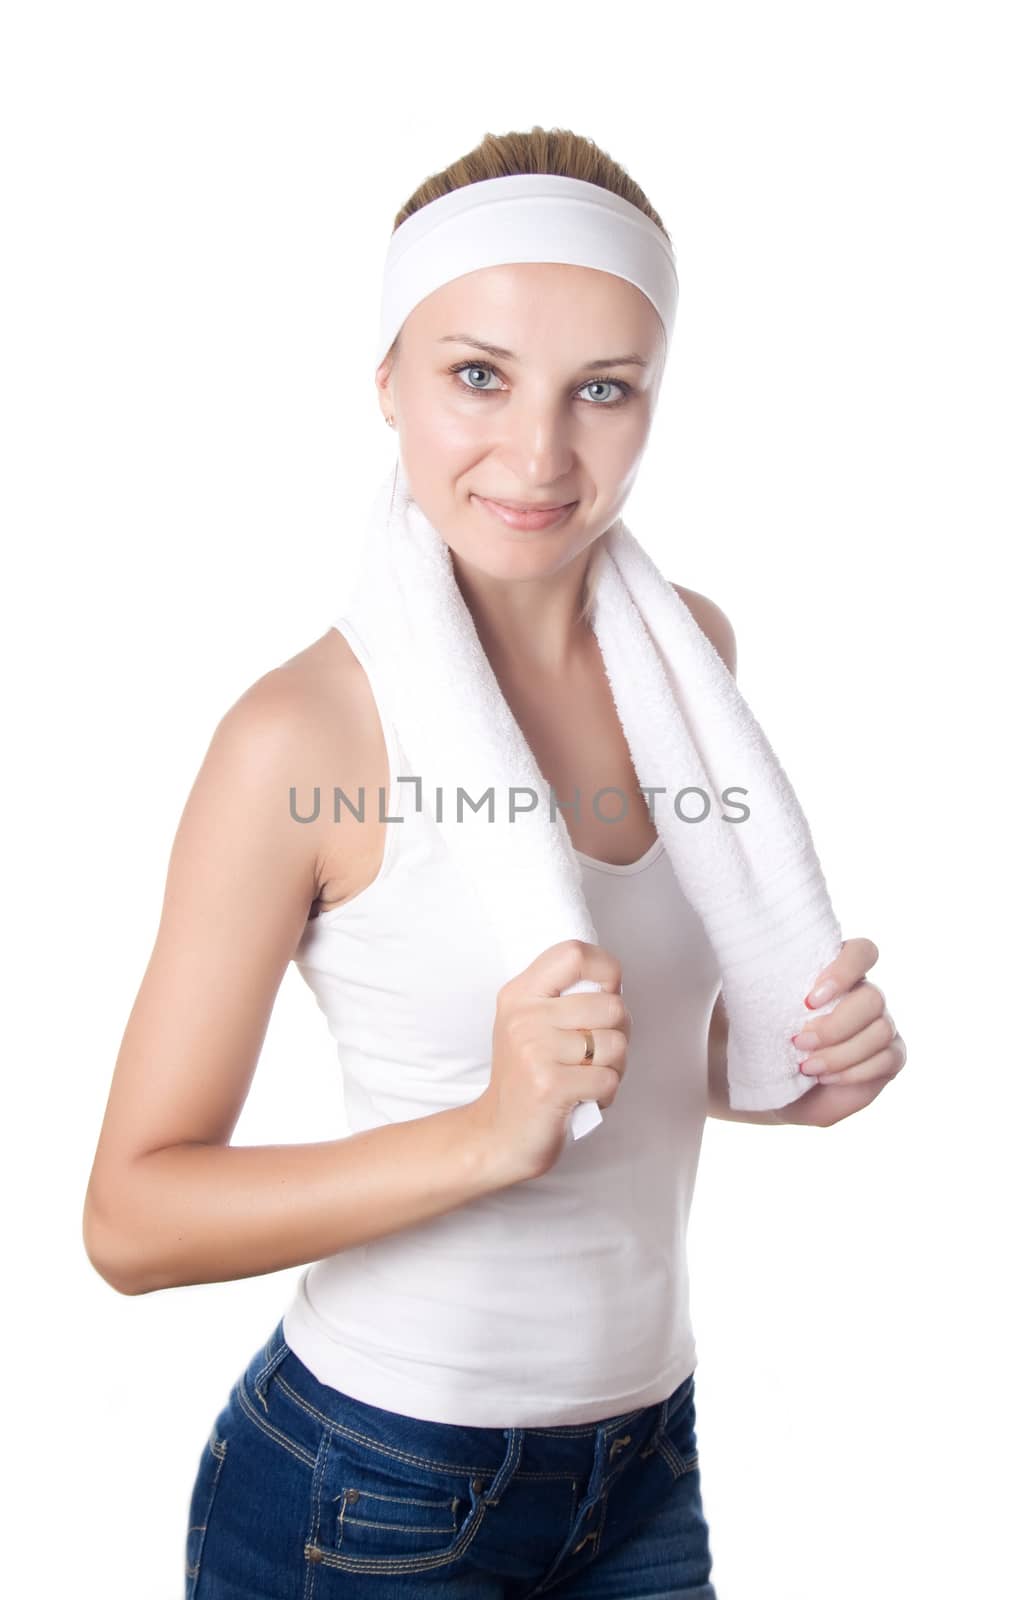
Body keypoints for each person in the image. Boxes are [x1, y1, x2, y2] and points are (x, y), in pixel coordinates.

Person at [82, 125, 905, 1599]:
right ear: (386, 381)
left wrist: (781, 1073)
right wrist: (484, 1134)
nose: (538, 455)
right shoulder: (302, 737)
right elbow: (131, 1220)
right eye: (478, 375)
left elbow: (622, 1071)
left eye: (604, 390)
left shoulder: (691, 657)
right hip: (374, 1488)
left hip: (646, 1461)